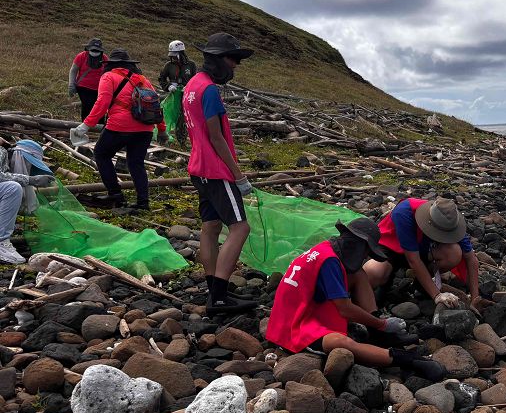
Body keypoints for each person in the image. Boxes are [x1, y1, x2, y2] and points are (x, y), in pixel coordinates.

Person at [266, 218, 444, 380]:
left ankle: (378, 336)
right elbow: (344, 308)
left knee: (358, 273)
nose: (365, 257)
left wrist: (376, 325)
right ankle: (406, 360)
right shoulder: (330, 262)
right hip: (292, 326)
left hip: (306, 307)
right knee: (341, 343)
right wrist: (380, 323)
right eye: (366, 252)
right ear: (358, 246)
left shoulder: (328, 249)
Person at [182, 33, 256, 315]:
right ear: (219, 59)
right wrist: (238, 176)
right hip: (215, 170)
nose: (236, 66)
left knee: (211, 227)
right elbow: (216, 136)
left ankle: (214, 289)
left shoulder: (192, 85)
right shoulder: (209, 90)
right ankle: (221, 297)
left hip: (198, 168)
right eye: (233, 59)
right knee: (240, 227)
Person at [71, 50, 167, 211]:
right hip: (145, 128)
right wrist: (162, 129)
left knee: (102, 154)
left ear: (111, 65)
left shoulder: (108, 77)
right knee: (136, 163)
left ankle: (115, 194)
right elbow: (156, 105)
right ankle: (143, 202)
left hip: (120, 126)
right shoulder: (142, 79)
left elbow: (102, 103)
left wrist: (84, 126)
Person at [361, 197, 483, 311]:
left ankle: (421, 285)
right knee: (374, 272)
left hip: (423, 250)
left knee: (453, 253)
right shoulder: (404, 213)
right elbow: (413, 260)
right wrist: (437, 295)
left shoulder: (450, 221)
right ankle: (385, 284)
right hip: (392, 247)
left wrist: (475, 298)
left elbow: (471, 258)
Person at [0, 140, 55, 265]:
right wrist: (29, 179)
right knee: (12, 188)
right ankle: (1, 242)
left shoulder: (6, 163)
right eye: (28, 163)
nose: (27, 168)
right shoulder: (1, 151)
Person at [159, 40, 196, 145]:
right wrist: (168, 86)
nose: (173, 58)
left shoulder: (191, 65)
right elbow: (161, 78)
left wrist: (189, 88)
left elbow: (195, 79)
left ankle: (182, 140)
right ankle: (166, 137)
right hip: (173, 95)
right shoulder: (168, 65)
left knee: (184, 117)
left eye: (175, 55)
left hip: (187, 95)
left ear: (181, 53)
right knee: (169, 115)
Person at [68, 39, 108, 121]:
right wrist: (71, 84)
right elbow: (73, 70)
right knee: (87, 106)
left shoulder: (105, 58)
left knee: (100, 107)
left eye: (97, 50)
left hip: (100, 88)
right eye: (93, 49)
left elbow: (108, 73)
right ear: (88, 48)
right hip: (83, 87)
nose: (95, 51)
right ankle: (85, 125)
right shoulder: (81, 56)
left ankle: (99, 126)